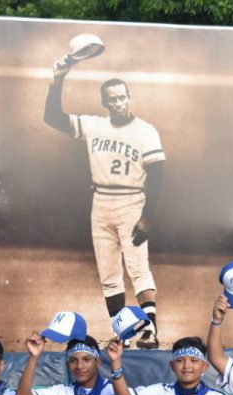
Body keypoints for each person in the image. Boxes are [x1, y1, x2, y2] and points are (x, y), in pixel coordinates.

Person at [44, 57, 165, 349]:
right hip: (101, 202)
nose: (119, 103)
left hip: (132, 201)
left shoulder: (145, 130)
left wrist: (148, 216)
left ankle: (150, 330)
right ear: (104, 102)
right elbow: (53, 118)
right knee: (109, 275)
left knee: (138, 268)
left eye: (122, 98)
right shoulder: (94, 125)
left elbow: (159, 175)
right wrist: (57, 80)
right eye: (112, 100)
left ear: (129, 98)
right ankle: (124, 332)